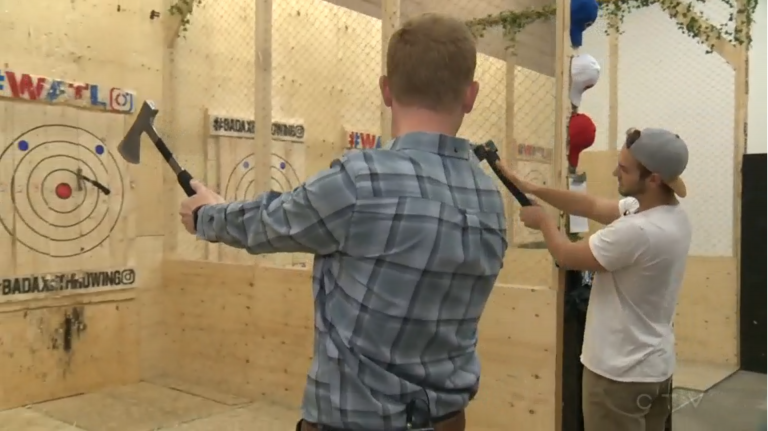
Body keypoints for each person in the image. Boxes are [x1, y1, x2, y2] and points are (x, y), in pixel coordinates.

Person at [178, 13, 507, 431]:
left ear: (386, 90)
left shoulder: (362, 180)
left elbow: (268, 222)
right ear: (471, 95)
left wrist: (207, 213)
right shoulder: (488, 197)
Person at [493, 127, 691, 431]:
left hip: (617, 376)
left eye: (624, 169)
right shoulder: (670, 215)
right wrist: (530, 187)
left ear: (653, 179)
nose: (615, 172)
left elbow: (567, 256)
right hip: (654, 370)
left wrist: (543, 222)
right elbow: (593, 206)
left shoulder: (637, 232)